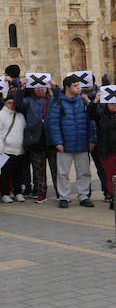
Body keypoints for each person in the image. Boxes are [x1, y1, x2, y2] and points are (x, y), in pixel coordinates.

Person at [49, 75, 97, 208]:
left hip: (82, 143)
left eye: (78, 85)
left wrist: (92, 140)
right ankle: (64, 197)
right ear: (67, 87)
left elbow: (91, 121)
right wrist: (58, 142)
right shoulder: (58, 102)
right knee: (63, 172)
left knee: (84, 171)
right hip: (65, 144)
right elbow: (54, 124)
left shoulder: (83, 101)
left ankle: (83, 195)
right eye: (76, 86)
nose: (79, 88)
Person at [15, 84, 58, 203]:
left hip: (51, 139)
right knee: (38, 170)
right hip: (35, 139)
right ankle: (41, 193)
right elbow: (18, 103)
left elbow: (62, 99)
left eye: (43, 86)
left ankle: (60, 192)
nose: (40, 89)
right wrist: (21, 89)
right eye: (37, 87)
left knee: (56, 169)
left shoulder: (52, 100)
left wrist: (55, 87)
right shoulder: (29, 101)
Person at [0, 93, 28, 202]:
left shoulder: (20, 115)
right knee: (6, 174)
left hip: (19, 149)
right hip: (5, 149)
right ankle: (5, 193)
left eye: (13, 103)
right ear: (5, 103)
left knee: (18, 173)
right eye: (9, 102)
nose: (11, 105)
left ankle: (18, 192)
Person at [86, 92, 116, 210]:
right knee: (111, 176)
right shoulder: (101, 115)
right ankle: (113, 197)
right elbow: (90, 113)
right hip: (106, 151)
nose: (114, 105)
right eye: (112, 103)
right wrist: (95, 100)